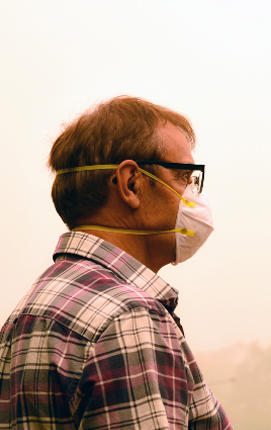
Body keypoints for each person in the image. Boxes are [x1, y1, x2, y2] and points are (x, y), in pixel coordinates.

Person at [0, 96, 232, 429]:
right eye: (184, 177)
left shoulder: (27, 313)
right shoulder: (129, 317)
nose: (195, 196)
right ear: (131, 183)